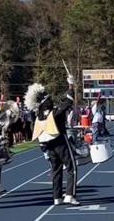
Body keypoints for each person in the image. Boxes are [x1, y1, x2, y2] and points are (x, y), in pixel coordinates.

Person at [27, 76, 80, 206]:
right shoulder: (54, 113)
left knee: (56, 170)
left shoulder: (38, 116)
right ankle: (69, 195)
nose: (51, 100)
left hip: (48, 146)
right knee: (71, 167)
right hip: (60, 141)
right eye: (49, 99)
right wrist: (70, 86)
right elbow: (68, 101)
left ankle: (57, 197)